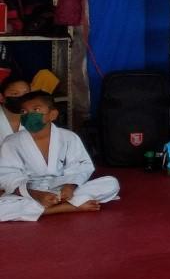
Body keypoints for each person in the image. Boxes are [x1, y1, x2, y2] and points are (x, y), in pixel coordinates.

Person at [0, 91, 119, 220]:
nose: (29, 115)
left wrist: (70, 186)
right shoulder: (11, 142)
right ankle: (66, 207)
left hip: (61, 187)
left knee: (111, 183)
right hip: (30, 192)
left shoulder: (68, 137)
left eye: (36, 109)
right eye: (24, 112)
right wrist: (37, 194)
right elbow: (8, 176)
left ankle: (41, 209)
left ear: (52, 114)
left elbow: (81, 166)